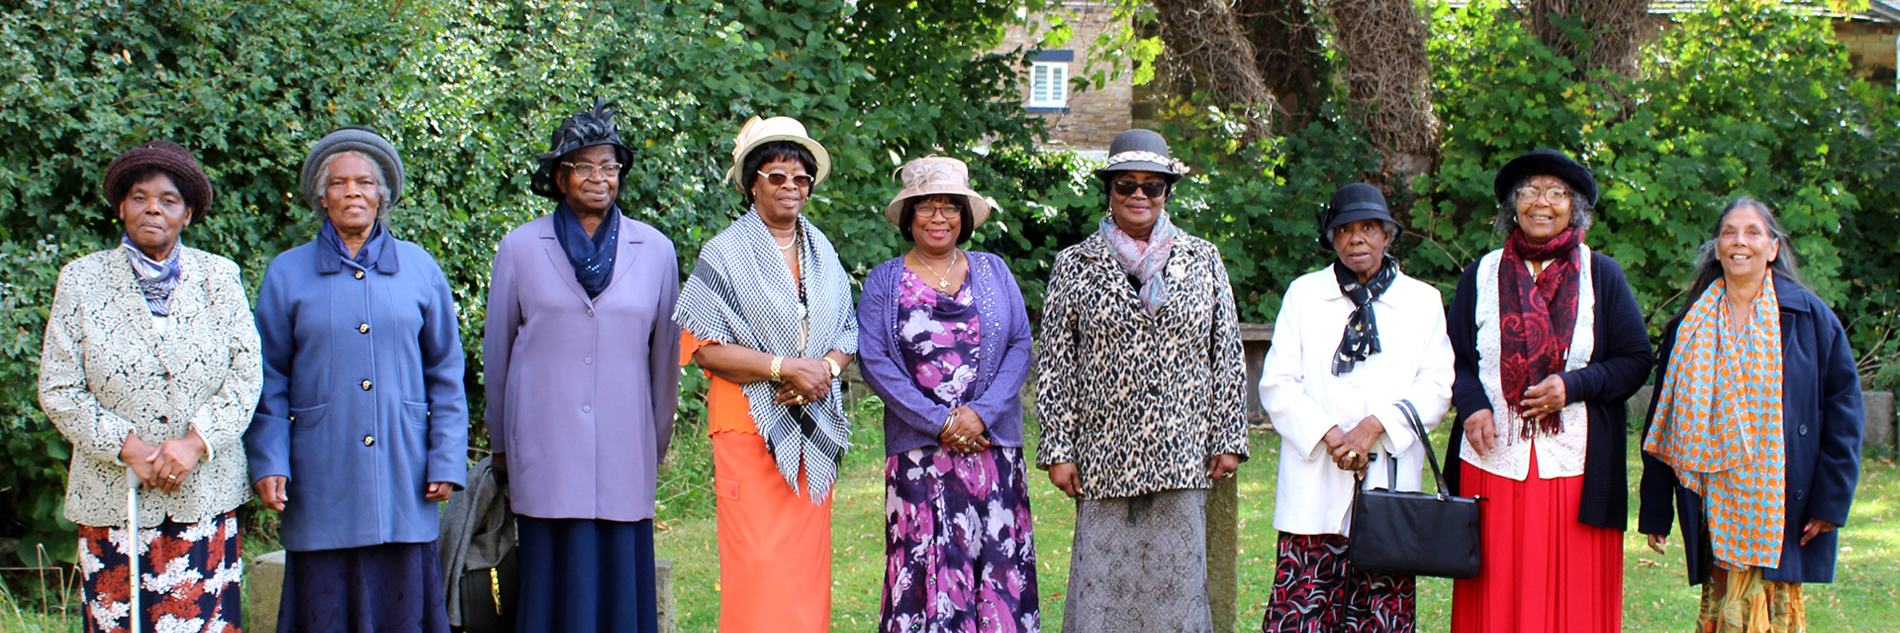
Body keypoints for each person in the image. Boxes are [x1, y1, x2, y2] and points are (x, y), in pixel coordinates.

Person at [246, 127, 468, 632]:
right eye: (340, 183)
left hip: (405, 468)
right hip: (321, 469)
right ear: (321, 197)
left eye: (364, 183)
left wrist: (446, 456)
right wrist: (270, 460)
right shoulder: (287, 273)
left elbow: (446, 372)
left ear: (381, 195)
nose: (353, 193)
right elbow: (269, 376)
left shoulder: (419, 268)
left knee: (402, 604)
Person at [40, 140, 261, 632]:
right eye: (139, 197)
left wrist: (193, 443)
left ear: (187, 213)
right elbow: (59, 387)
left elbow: (246, 376)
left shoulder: (219, 278)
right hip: (112, 496)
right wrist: (129, 447)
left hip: (203, 492)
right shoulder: (80, 281)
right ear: (121, 207)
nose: (153, 209)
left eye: (167, 199)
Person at [1035, 129, 1249, 633]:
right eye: (1126, 184)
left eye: (1152, 186)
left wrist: (1229, 436)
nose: (1139, 195)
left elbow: (1227, 354)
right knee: (1101, 591)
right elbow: (1057, 364)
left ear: (1166, 193)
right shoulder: (1075, 264)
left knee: (1176, 593)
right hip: (1103, 457)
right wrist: (1059, 447)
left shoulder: (1204, 259)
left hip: (1184, 451)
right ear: (1109, 191)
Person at [482, 98, 681, 632]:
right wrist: (503, 444)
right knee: (552, 587)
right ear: (560, 177)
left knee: (621, 586)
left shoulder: (656, 251)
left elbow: (664, 360)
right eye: (585, 166)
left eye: (609, 167)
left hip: (624, 446)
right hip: (545, 448)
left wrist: (653, 442)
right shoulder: (521, 248)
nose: (600, 178)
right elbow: (497, 353)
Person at [1444, 149, 1654, 632]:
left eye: (1557, 192)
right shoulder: (1481, 274)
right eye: (1530, 191)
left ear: (1574, 208)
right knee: (1493, 595)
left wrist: (1573, 385)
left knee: (1572, 601)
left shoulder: (1602, 274)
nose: (1542, 202)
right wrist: (1472, 404)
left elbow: (1635, 361)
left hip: (1576, 465)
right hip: (1494, 461)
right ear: (1513, 205)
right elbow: (1452, 357)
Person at [1640, 197, 1863, 633]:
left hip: (1783, 501)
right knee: (1722, 609)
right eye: (1728, 233)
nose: (1739, 241)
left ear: (1773, 248)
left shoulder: (1810, 317)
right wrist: (1655, 509)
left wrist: (1830, 501)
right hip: (1712, 498)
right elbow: (1662, 418)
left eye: (1752, 232)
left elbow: (1845, 410)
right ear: (1717, 249)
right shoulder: (1689, 325)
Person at [674, 115, 857, 633]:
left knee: (804, 574)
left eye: (800, 178)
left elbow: (847, 328)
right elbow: (704, 349)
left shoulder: (821, 250)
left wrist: (824, 368)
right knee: (757, 570)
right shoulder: (725, 252)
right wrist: (782, 367)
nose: (790, 188)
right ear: (753, 182)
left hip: (810, 431)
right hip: (748, 428)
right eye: (777, 176)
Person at [1257, 183, 1453, 632]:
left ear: (1388, 236)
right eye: (1344, 230)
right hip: (1316, 479)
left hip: (1388, 482)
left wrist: (1373, 428)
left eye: (1368, 228)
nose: (1356, 239)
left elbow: (1438, 384)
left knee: (1381, 613)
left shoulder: (1422, 300)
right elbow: (1279, 382)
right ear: (1332, 238)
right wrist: (1331, 435)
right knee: (1301, 610)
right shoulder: (1305, 295)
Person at [856, 157, 1040, 632]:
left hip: (992, 450)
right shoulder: (883, 281)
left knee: (998, 573)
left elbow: (1020, 343)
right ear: (908, 217)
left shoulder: (994, 270)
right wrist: (940, 422)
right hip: (919, 456)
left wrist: (980, 413)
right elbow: (874, 362)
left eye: (949, 207)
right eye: (927, 208)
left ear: (964, 215)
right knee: (925, 571)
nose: (939, 218)